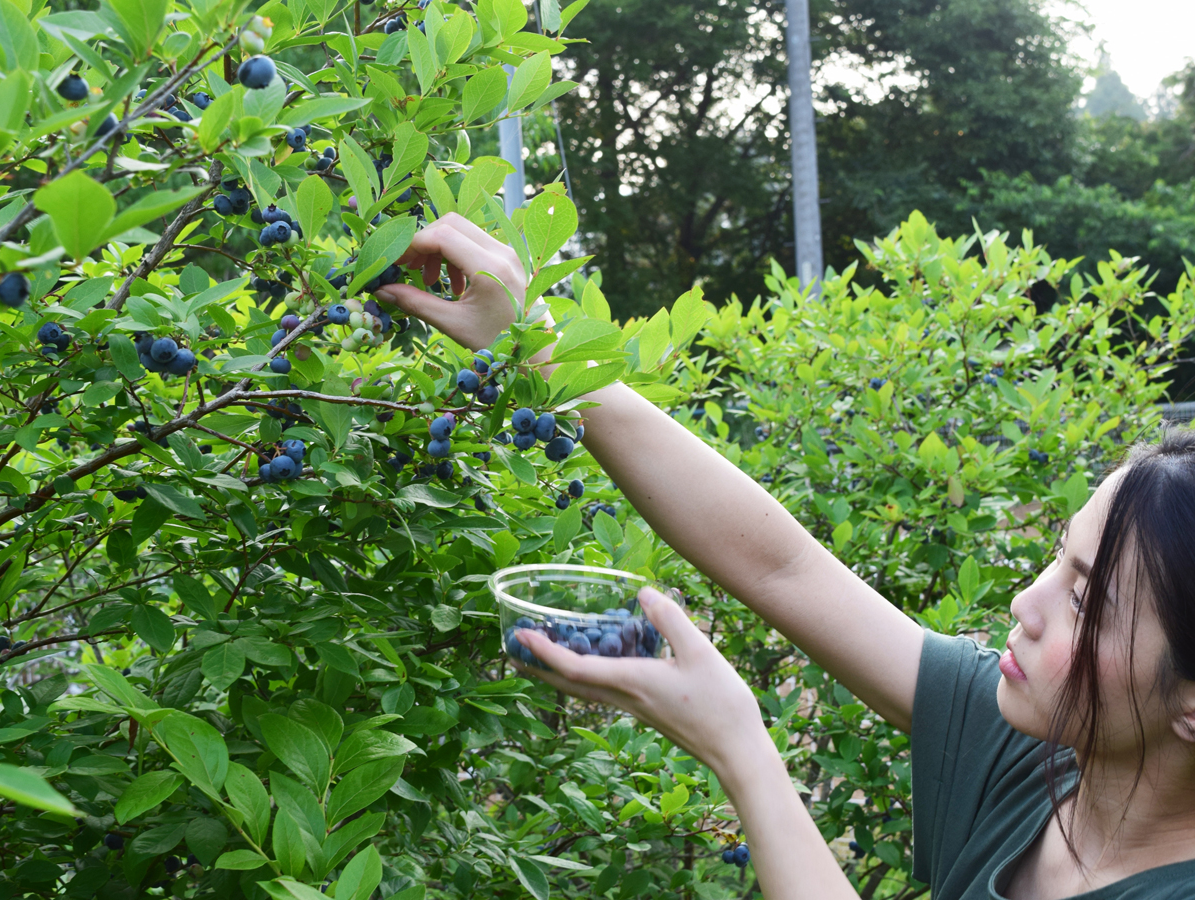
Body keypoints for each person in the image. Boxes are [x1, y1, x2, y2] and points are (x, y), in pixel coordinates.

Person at [377, 213, 1195, 899]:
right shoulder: (1038, 753)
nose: (1025, 602)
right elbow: (784, 568)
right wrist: (539, 349)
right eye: (1058, 559)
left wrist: (742, 746)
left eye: (1086, 600)